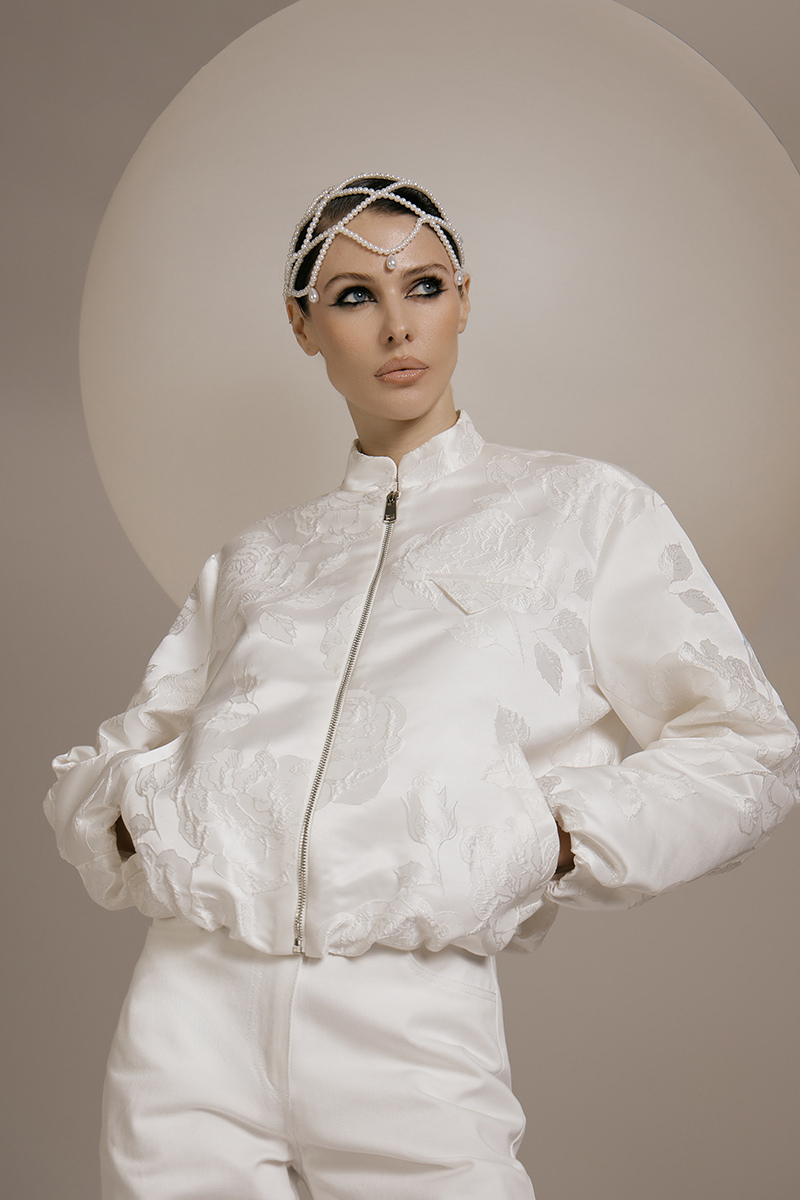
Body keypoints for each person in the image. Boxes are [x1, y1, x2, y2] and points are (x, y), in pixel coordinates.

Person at [45, 175, 799, 1200]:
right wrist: (138, 815)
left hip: (406, 1024)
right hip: (189, 1016)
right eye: (354, 296)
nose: (398, 326)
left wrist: (549, 839)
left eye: (425, 287)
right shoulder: (260, 558)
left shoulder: (582, 513)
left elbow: (748, 747)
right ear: (303, 326)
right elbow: (119, 757)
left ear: (464, 300)